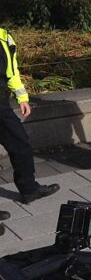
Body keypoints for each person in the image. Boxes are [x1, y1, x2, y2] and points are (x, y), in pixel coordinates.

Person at [0, 28, 60, 209]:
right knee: (19, 144)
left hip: (1, 102)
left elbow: (12, 71)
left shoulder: (4, 37)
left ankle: (29, 189)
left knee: (20, 144)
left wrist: (22, 97)